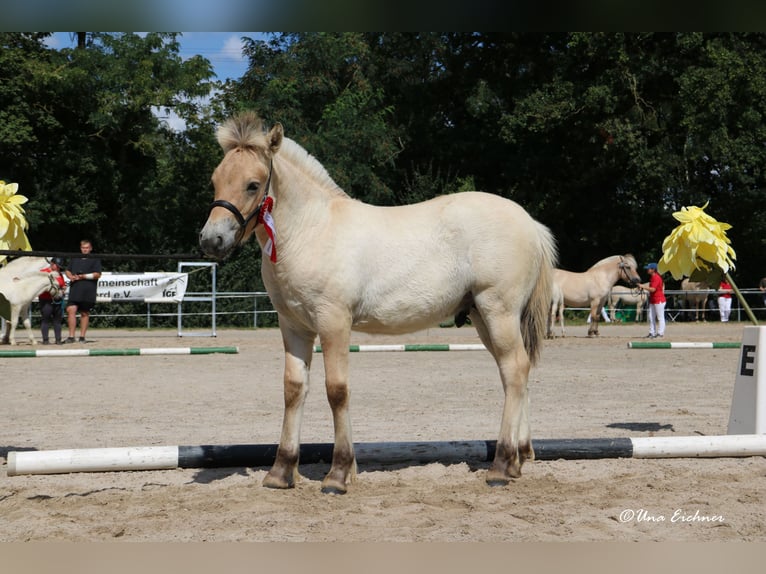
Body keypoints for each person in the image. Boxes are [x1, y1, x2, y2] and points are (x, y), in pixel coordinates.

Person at [65, 239, 102, 343]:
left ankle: (82, 337)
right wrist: (70, 276)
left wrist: (83, 276)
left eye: (87, 248)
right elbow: (67, 270)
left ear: (90, 248)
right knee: (71, 310)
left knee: (84, 313)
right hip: (75, 289)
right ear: (80, 248)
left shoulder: (95, 259)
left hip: (88, 290)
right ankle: (71, 336)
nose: (85, 250)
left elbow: (98, 274)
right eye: (83, 248)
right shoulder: (75, 258)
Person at [38, 257, 67, 345]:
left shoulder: (59, 274)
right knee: (46, 319)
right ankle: (45, 340)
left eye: (59, 267)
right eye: (57, 266)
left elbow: (63, 284)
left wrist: (63, 289)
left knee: (57, 320)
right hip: (46, 299)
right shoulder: (43, 272)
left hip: (57, 300)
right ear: (52, 264)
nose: (58, 268)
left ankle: (58, 339)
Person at [636, 262, 666, 338]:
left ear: (653, 269)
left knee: (660, 317)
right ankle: (652, 332)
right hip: (653, 300)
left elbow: (653, 289)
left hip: (659, 300)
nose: (647, 270)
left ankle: (660, 333)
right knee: (651, 317)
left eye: (649, 269)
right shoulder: (653, 277)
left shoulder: (656, 277)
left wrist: (643, 286)